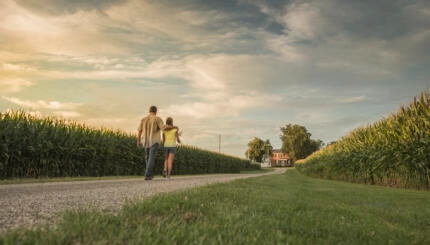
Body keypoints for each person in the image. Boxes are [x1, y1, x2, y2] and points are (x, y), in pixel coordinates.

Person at [137, 106, 175, 180]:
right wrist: (173, 127)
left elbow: (139, 131)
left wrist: (138, 141)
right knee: (151, 157)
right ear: (156, 111)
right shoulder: (157, 119)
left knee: (147, 157)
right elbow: (164, 128)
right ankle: (147, 174)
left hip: (145, 140)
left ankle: (150, 174)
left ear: (149, 111)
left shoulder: (143, 119)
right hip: (154, 141)